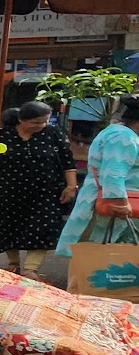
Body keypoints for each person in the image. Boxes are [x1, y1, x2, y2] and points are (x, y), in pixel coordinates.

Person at [0, 101, 76, 275]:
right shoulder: (3, 135)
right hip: (8, 190)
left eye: (45, 121)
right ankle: (13, 263)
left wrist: (71, 186)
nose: (41, 126)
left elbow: (68, 161)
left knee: (44, 226)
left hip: (47, 191)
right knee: (8, 225)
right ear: (21, 120)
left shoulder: (53, 133)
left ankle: (31, 268)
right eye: (36, 122)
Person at [57, 94, 139, 258]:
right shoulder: (124, 138)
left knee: (98, 257)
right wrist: (121, 204)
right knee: (101, 257)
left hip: (116, 202)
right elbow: (113, 173)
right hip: (116, 206)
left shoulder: (119, 133)